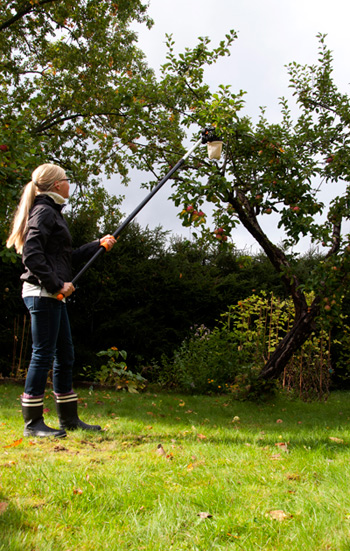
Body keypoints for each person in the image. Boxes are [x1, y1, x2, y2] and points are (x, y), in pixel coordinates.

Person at [6, 163, 116, 437]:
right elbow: (31, 255)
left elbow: (62, 258)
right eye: (67, 180)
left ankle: (69, 420)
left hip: (51, 296)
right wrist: (57, 284)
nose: (69, 184)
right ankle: (33, 424)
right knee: (43, 354)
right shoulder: (44, 212)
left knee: (64, 355)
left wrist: (97, 246)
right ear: (57, 185)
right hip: (42, 294)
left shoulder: (51, 212)